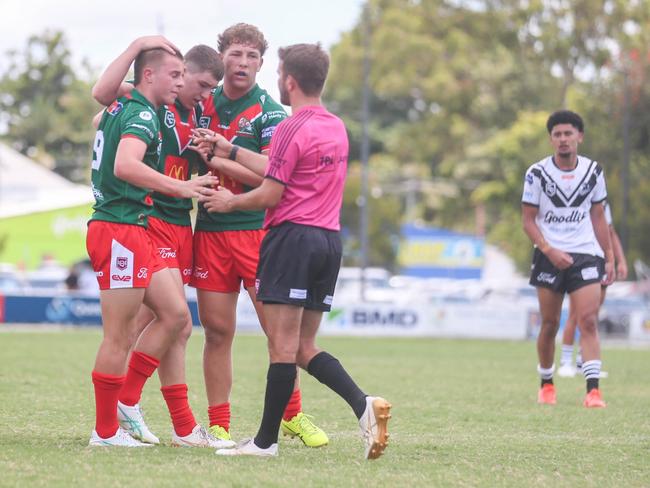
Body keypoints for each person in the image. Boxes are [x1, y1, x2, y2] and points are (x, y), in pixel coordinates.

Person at [198, 42, 392, 459]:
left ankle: (265, 443)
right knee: (303, 348)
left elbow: (271, 191)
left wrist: (229, 202)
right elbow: (278, 166)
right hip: (328, 243)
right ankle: (363, 407)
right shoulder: (336, 126)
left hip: (291, 240)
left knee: (282, 347)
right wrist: (229, 149)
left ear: (288, 79)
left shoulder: (289, 126)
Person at [189, 23, 327, 447]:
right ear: (222, 57)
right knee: (216, 331)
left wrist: (216, 156)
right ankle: (218, 424)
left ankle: (292, 416)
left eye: (251, 56)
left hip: (257, 234)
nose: (242, 62)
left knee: (278, 334)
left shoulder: (269, 112)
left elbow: (266, 176)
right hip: (210, 232)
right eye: (236, 54)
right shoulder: (200, 102)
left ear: (262, 65)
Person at [91, 37, 232, 447]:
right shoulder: (144, 106)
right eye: (189, 79)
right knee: (142, 328)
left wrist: (213, 156)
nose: (204, 93)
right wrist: (182, 186)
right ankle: (118, 416)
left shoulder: (193, 111)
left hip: (150, 222)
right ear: (167, 74)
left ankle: (163, 420)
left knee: (176, 322)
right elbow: (123, 155)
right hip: (135, 221)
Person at [522, 110, 614, 409]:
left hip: (586, 254)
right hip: (549, 255)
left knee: (588, 320)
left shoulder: (594, 172)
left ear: (579, 136)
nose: (563, 139)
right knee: (549, 324)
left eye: (568, 133)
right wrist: (549, 249)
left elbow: (599, 217)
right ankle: (547, 383)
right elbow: (528, 220)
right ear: (551, 139)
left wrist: (609, 257)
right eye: (557, 134)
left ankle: (593, 391)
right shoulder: (537, 173)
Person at [557, 201, 628, 378]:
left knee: (592, 314)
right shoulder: (576, 198)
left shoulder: (603, 203)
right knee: (575, 313)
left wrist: (621, 260)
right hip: (582, 258)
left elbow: (610, 232)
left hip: (601, 259)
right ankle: (565, 362)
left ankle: (584, 362)